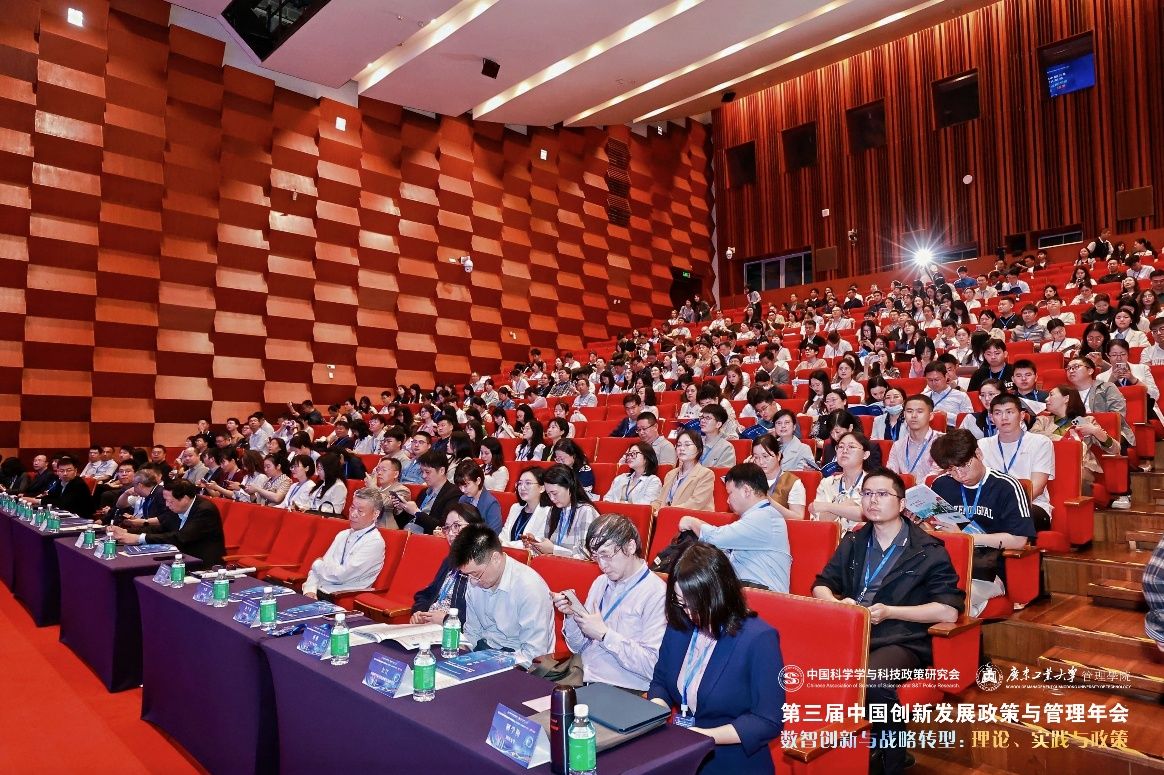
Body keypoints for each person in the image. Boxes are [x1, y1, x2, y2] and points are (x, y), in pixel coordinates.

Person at [812, 468, 962, 775]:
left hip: (903, 638)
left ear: (902, 503)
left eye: (882, 494)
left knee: (872, 679)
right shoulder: (854, 540)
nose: (873, 501)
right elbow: (821, 584)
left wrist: (892, 611)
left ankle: (892, 758)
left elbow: (948, 611)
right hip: (854, 631)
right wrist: (836, 604)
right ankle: (834, 752)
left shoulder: (928, 550)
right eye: (867, 494)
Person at [648, 543, 784, 775]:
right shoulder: (681, 624)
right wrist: (657, 714)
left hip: (731, 761)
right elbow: (661, 681)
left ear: (719, 594)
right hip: (681, 751)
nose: (688, 613)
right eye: (681, 602)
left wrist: (703, 736)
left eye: (695, 605)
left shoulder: (759, 638)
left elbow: (768, 720)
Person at [553, 514, 667, 691]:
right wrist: (571, 616)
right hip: (582, 677)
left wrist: (605, 635)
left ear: (630, 547)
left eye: (606, 555)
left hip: (622, 689)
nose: (602, 565)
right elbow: (579, 647)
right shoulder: (601, 582)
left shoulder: (656, 593)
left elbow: (652, 666)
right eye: (596, 557)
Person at [930, 431, 1039, 616]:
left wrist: (965, 538)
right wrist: (921, 523)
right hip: (946, 566)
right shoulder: (941, 485)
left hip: (987, 571)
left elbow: (1019, 540)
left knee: (948, 601)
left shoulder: (1007, 486)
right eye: (951, 470)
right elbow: (935, 529)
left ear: (978, 454)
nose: (959, 474)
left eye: (964, 465)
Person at [679, 463, 792, 592]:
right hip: (746, 588)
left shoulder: (765, 517)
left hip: (761, 592)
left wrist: (692, 522)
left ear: (746, 491)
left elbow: (717, 539)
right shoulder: (759, 516)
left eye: (730, 493)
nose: (728, 501)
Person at [455, 524, 555, 667]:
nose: (472, 581)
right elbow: (472, 632)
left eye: (476, 574)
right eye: (467, 575)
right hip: (485, 652)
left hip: (519, 662)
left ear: (495, 559)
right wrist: (460, 655)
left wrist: (493, 663)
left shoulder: (529, 588)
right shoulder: (475, 580)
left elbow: (534, 654)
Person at [1030, 385, 1123, 503]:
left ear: (1066, 398)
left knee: (1073, 475)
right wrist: (1062, 440)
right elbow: (1032, 437)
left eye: (1051, 395)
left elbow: (1115, 449)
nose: (1046, 399)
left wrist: (1095, 431)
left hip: (1080, 467)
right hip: (1049, 466)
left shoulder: (1083, 421)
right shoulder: (1043, 420)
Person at [977, 394, 1054, 529]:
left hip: (1031, 505)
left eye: (1010, 412)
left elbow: (1037, 487)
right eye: (998, 413)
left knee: (1015, 517)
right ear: (991, 418)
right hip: (990, 507)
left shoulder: (1040, 442)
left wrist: (1006, 507)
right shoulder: (982, 445)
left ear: (1022, 415)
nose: (1004, 418)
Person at [109, 478, 226, 568]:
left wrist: (139, 538)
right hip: (179, 556)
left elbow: (180, 538)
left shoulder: (205, 510)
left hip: (202, 563)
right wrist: (127, 531)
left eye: (169, 501)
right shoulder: (177, 507)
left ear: (185, 499)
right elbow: (161, 528)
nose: (166, 504)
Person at [301, 488, 386, 599]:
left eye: (360, 511)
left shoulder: (374, 542)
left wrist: (317, 563)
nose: (353, 514)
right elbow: (317, 571)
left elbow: (340, 575)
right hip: (317, 590)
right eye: (352, 508)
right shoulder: (343, 534)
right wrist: (309, 589)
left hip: (338, 596)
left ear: (375, 514)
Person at [410, 503, 485, 624]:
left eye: (456, 526)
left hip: (453, 631)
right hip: (429, 626)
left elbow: (478, 619)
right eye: (447, 528)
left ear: (476, 528)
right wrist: (419, 612)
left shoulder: (482, 568)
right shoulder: (450, 561)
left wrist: (446, 620)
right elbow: (427, 593)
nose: (450, 533)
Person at [524, 464, 599, 559]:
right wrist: (537, 546)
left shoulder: (586, 511)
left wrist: (554, 550)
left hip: (574, 568)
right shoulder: (553, 511)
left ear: (569, 487)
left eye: (554, 493)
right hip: (555, 565)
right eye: (548, 494)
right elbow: (548, 552)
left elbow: (587, 554)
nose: (552, 498)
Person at [653, 430, 716, 513]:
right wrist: (651, 509)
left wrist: (666, 512)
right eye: (679, 445)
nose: (681, 448)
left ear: (699, 449)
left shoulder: (706, 474)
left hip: (690, 519)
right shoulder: (670, 474)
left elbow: (696, 503)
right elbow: (660, 501)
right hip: (666, 516)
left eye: (687, 445)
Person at [748, 435, 806, 519]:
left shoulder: (792, 482)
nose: (761, 462)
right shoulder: (750, 480)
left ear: (778, 456)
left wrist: (769, 501)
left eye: (765, 456)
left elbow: (798, 517)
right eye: (756, 457)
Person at [886, 394, 943, 479]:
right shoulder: (898, 445)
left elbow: (936, 475)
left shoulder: (942, 442)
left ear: (930, 416)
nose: (913, 416)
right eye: (909, 411)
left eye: (919, 411)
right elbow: (890, 475)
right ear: (904, 415)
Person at [25, 455, 93, 518]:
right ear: (57, 472)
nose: (65, 473)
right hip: (64, 514)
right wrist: (33, 499)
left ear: (75, 471)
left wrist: (36, 501)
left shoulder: (78, 484)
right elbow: (52, 496)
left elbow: (63, 503)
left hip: (80, 517)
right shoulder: (59, 482)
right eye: (62, 471)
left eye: (69, 470)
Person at [500, 467, 551, 549]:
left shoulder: (548, 512)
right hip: (507, 553)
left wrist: (503, 545)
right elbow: (503, 536)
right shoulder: (515, 508)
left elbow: (535, 543)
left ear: (542, 488)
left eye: (528, 483)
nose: (522, 487)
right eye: (520, 483)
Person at [453, 460, 502, 533]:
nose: (463, 490)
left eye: (466, 485)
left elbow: (494, 534)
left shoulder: (491, 504)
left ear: (478, 481)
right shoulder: (463, 499)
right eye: (460, 486)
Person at [921, 362, 972, 427]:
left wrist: (947, 416)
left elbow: (969, 421)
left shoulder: (961, 396)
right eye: (930, 380)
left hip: (952, 430)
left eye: (937, 379)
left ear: (946, 376)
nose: (933, 383)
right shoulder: (924, 397)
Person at [698, 404, 737, 468]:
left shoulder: (726, 447)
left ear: (718, 424)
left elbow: (723, 472)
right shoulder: (696, 442)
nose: (702, 421)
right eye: (702, 417)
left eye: (707, 418)